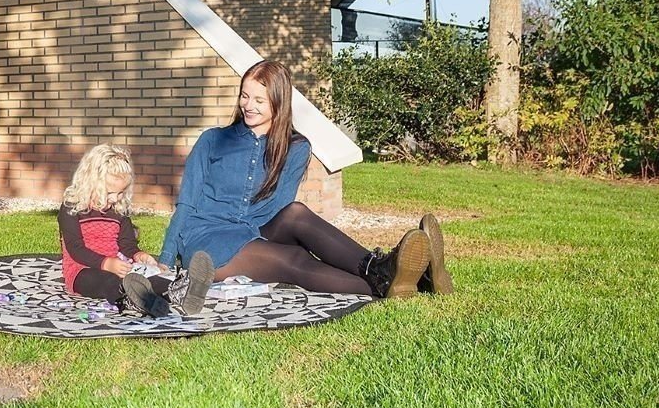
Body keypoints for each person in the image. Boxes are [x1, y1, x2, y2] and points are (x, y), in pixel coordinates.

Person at [158, 60, 449, 299]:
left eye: (259, 99)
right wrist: (167, 260)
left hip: (256, 229)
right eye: (244, 96)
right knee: (294, 261)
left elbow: (280, 210)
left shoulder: (295, 148)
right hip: (208, 239)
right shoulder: (213, 140)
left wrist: (282, 240)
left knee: (296, 213)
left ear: (278, 101)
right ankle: (389, 282)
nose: (249, 105)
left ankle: (380, 268)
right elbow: (187, 204)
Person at [58, 143, 214, 317]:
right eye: (110, 193)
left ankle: (183, 292)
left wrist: (138, 255)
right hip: (82, 270)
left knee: (146, 280)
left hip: (118, 266)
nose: (115, 199)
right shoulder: (71, 207)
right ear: (90, 182)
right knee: (110, 281)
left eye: (120, 193)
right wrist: (106, 264)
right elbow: (75, 248)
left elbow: (127, 245)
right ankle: (133, 300)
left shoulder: (118, 211)